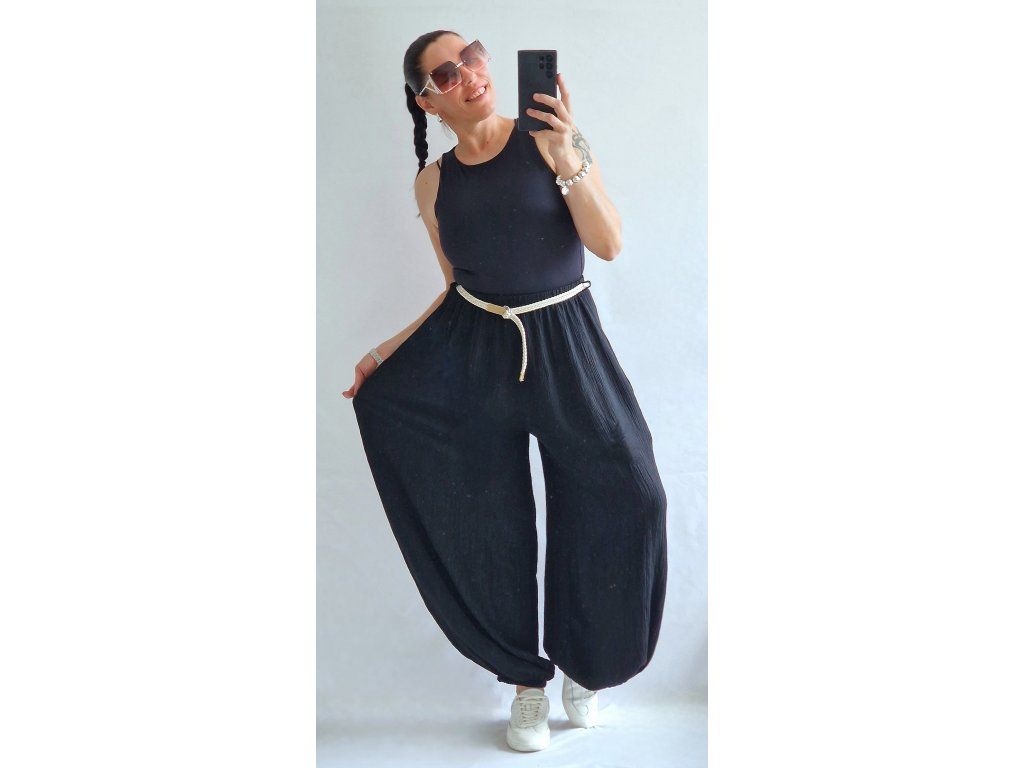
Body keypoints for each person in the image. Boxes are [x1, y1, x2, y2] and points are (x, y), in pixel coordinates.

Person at [343, 31, 668, 752]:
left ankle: (586, 662)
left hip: (567, 338)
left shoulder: (550, 138)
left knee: (627, 490)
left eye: (473, 56)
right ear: (428, 102)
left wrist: (567, 158)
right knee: (489, 520)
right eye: (446, 73)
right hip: (476, 351)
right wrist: (384, 353)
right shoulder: (433, 183)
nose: (470, 75)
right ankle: (525, 684)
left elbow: (609, 243)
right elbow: (455, 287)